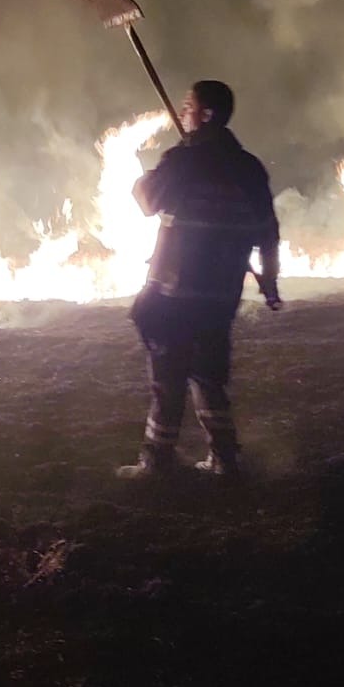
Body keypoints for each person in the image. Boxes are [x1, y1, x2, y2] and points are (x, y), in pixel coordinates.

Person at [119, 79, 281, 482]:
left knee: (168, 374)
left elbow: (147, 201)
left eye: (188, 105)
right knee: (209, 372)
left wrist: (149, 175)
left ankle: (157, 462)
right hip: (221, 293)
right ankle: (225, 458)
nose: (182, 111)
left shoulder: (184, 160)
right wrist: (271, 283)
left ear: (205, 114)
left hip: (175, 290)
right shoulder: (248, 167)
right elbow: (268, 231)